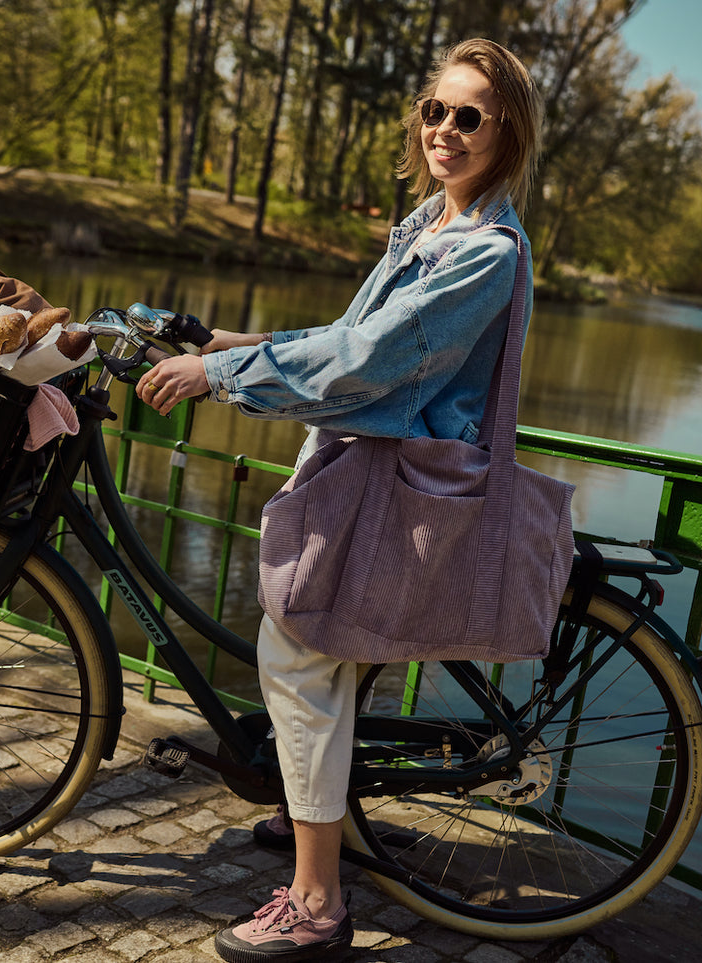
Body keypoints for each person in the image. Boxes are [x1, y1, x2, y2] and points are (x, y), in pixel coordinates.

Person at [136, 37, 545, 963]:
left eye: (469, 116)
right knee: (321, 656)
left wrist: (223, 376)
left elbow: (371, 363)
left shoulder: (484, 251)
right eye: (434, 110)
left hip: (399, 487)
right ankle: (315, 813)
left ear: (507, 133)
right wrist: (230, 340)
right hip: (366, 472)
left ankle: (316, 900)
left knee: (300, 653)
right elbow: (351, 333)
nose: (444, 128)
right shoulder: (426, 225)